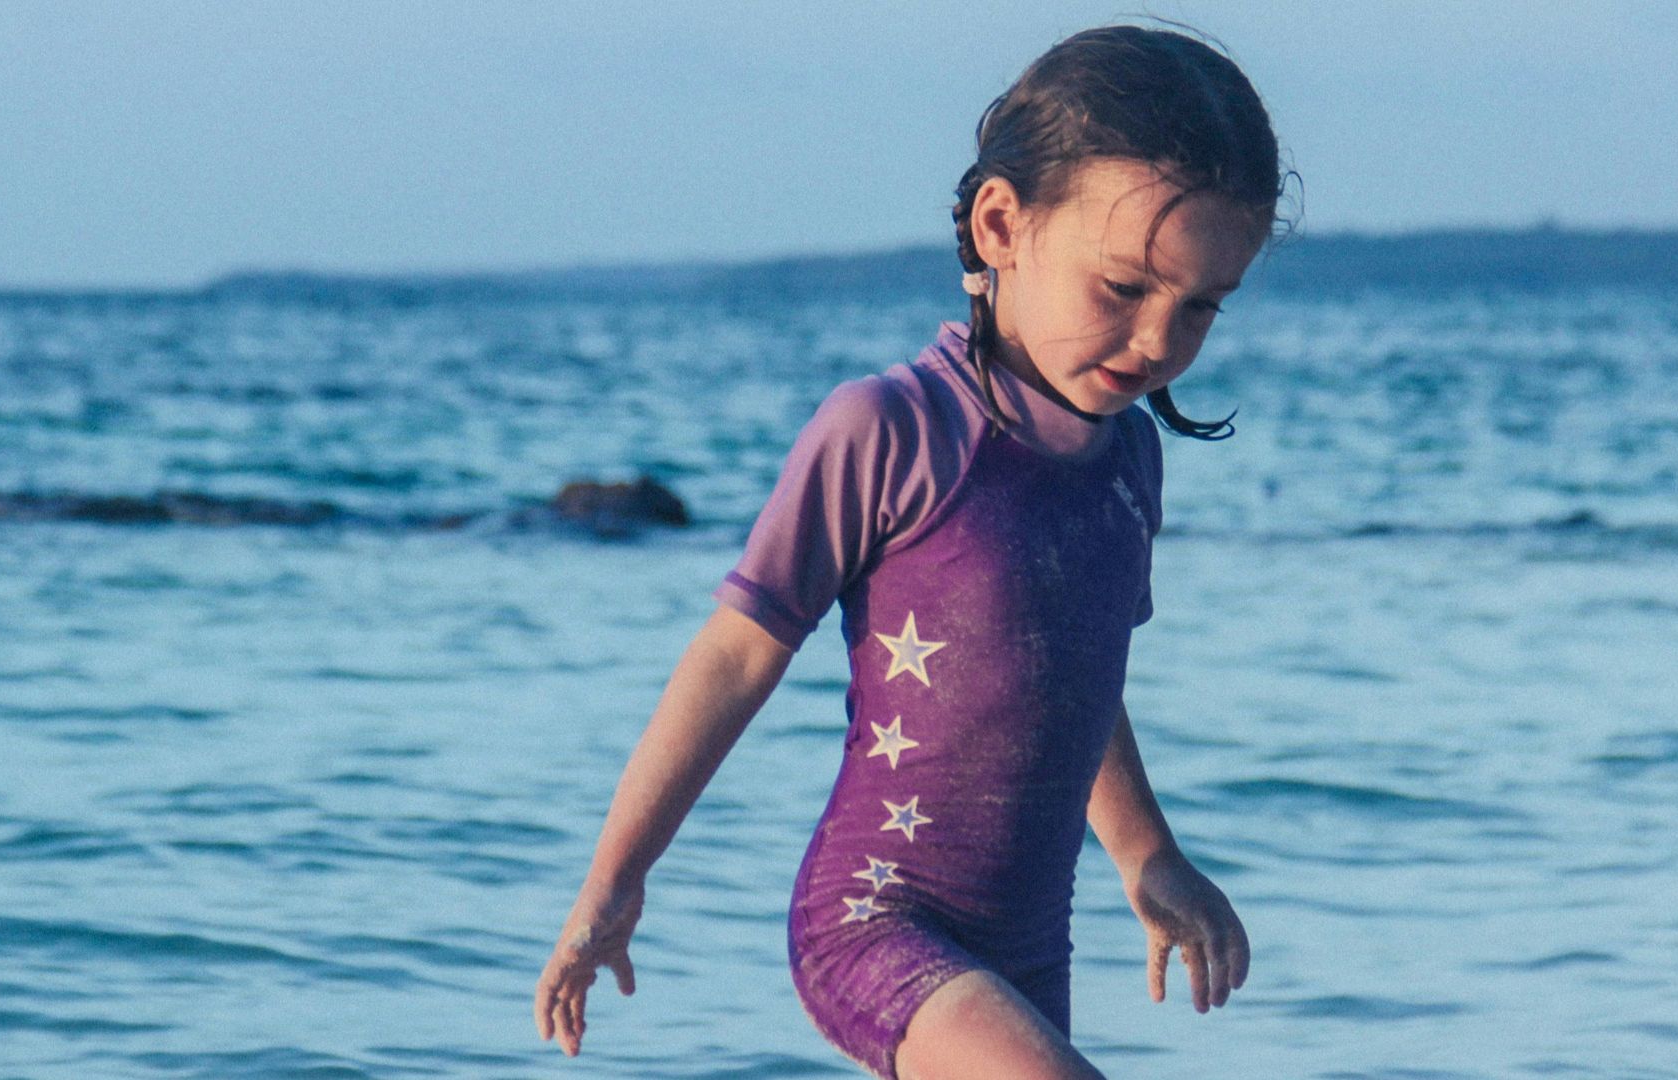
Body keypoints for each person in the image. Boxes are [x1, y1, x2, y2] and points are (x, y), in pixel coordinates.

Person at [535, 23, 1287, 1080]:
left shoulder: (1127, 462)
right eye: (1123, 289)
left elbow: (1074, 676)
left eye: (1201, 305)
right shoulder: (889, 430)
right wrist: (615, 881)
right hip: (871, 920)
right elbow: (735, 657)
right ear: (1000, 227)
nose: (1162, 340)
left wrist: (1146, 851)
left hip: (1027, 946)